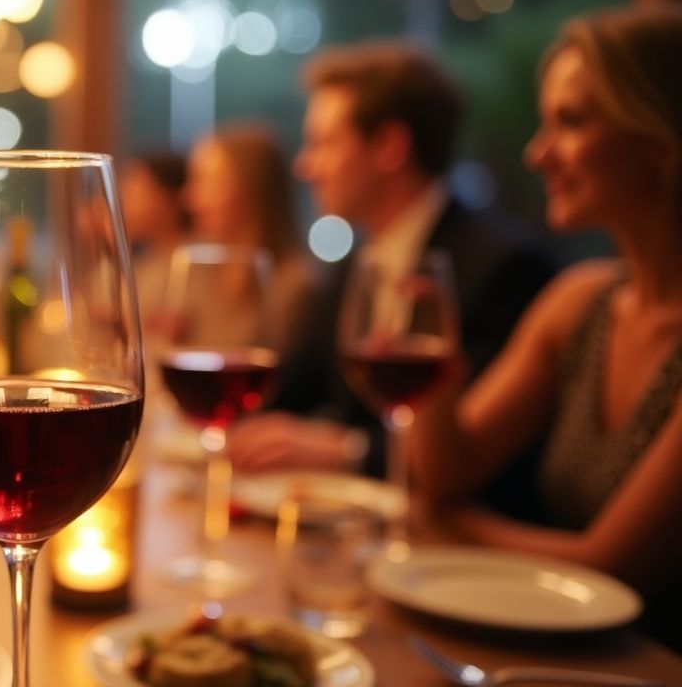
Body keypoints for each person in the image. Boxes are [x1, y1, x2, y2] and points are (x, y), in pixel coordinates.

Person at [412, 4, 682, 650]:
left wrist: (451, 522)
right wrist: (431, 352)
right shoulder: (580, 301)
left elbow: (613, 567)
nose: (538, 153)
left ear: (662, 137)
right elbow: (446, 472)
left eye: (571, 121)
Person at [227, 42, 559, 482]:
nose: (304, 167)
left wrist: (348, 450)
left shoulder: (506, 268)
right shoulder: (355, 266)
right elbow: (290, 388)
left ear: (388, 146)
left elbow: (477, 454)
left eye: (323, 144)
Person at [182, 123, 320, 355]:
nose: (189, 199)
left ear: (251, 188)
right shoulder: (202, 276)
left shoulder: (295, 289)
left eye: (206, 181)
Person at [118, 151, 189, 328]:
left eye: (133, 193)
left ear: (168, 199)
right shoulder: (147, 262)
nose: (123, 204)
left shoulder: (194, 265)